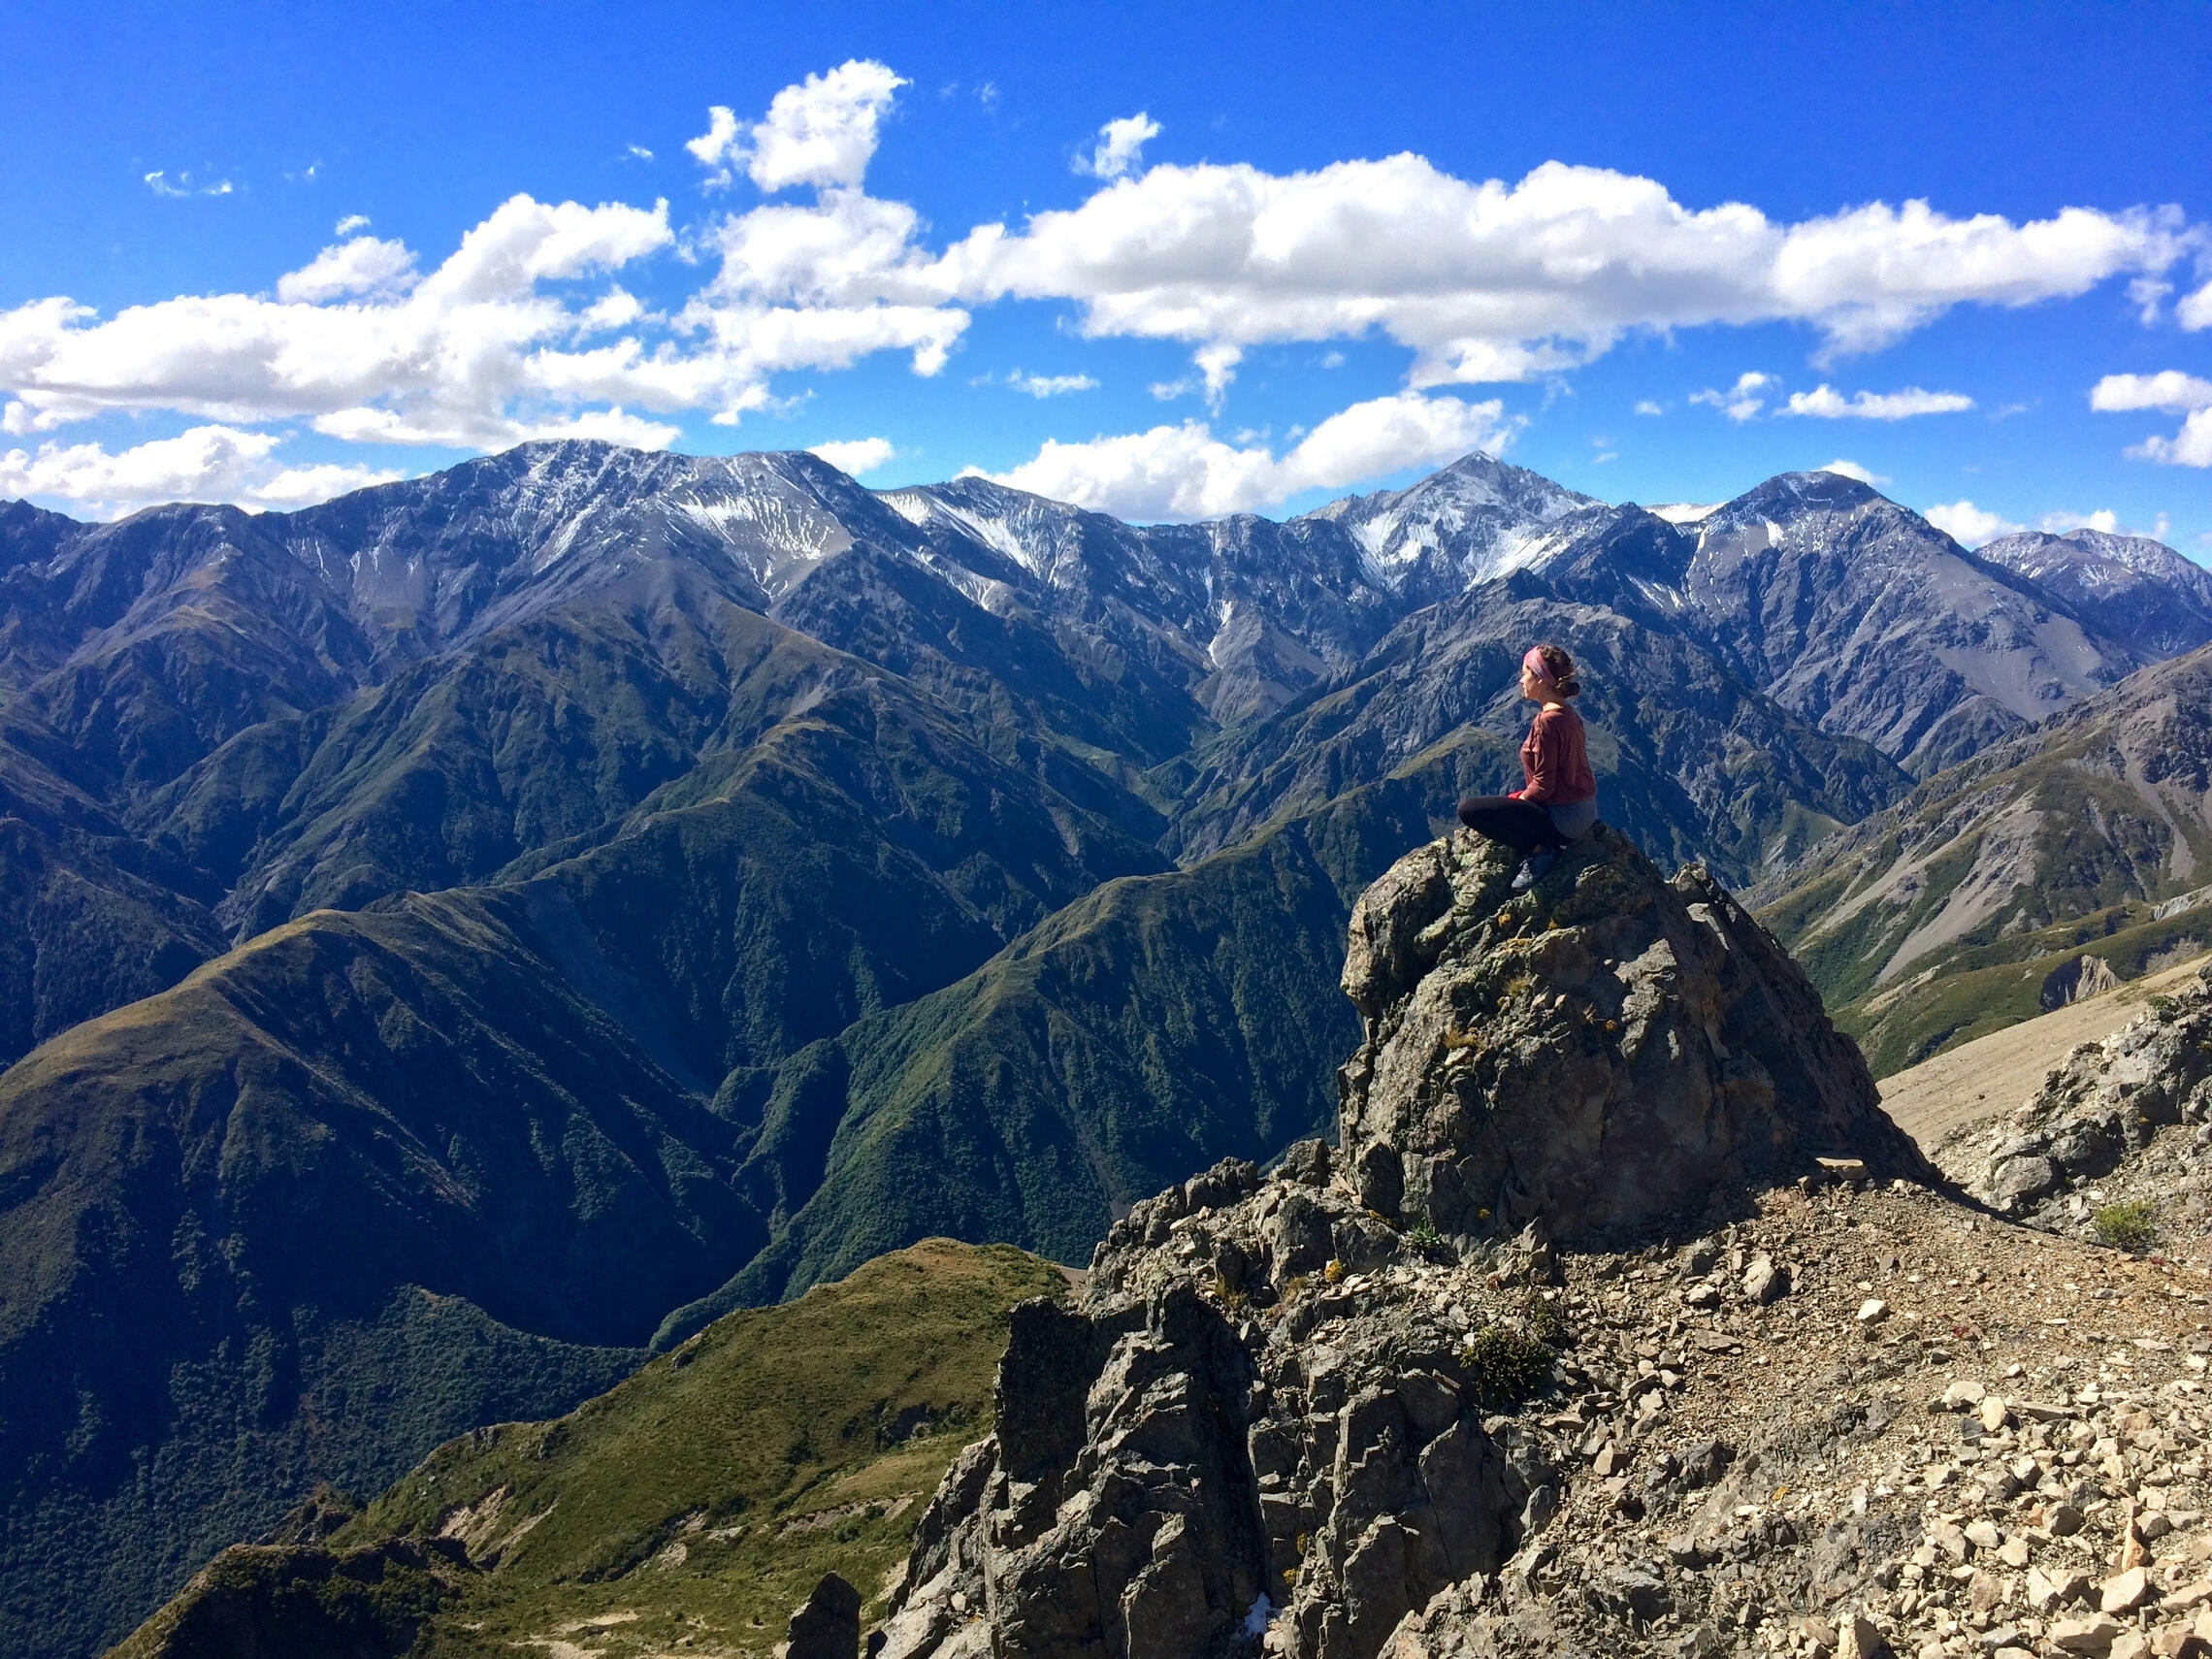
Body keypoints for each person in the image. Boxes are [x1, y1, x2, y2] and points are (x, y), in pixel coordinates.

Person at [1457, 644, 1600, 890]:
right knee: (1505, 805)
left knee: (1468, 809)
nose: (1521, 680)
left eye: (1525, 673)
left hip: (1563, 820)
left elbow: (1544, 786)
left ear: (1541, 679)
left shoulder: (1547, 723)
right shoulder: (1568, 714)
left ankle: (1542, 850)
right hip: (1583, 812)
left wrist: (1520, 799)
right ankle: (1545, 842)